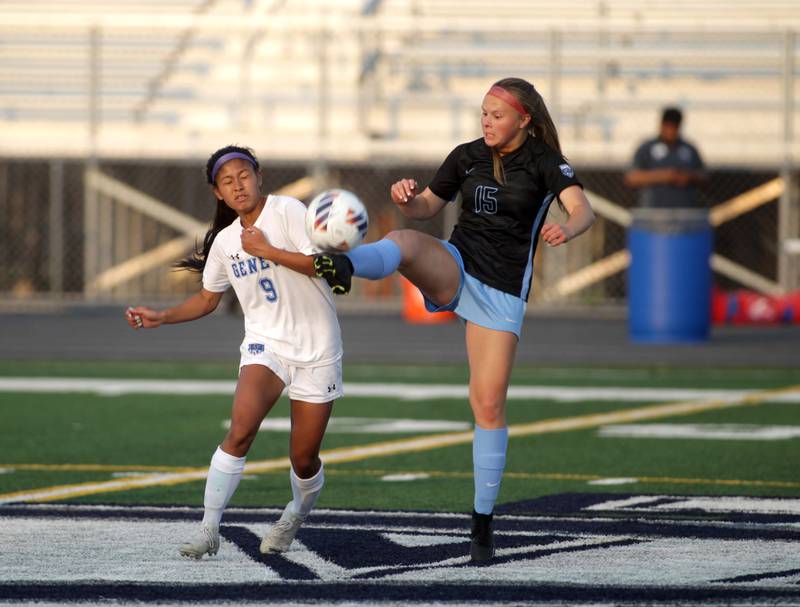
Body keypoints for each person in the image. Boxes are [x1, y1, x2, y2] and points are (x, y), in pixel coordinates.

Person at [313, 77, 595, 562]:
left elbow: (582, 209)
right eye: (483, 112)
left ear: (524, 120)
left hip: (502, 291)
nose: (486, 121)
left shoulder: (547, 163)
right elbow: (425, 207)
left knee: (486, 404)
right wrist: (407, 199)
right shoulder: (466, 155)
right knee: (403, 241)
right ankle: (342, 265)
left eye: (497, 114)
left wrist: (566, 229)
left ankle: (482, 522)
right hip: (457, 266)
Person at [124, 145, 343, 559]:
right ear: (218, 193)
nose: (238, 185)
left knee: (304, 457)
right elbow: (208, 299)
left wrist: (268, 251)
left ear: (259, 177)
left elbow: (320, 266)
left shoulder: (288, 212)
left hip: (318, 348)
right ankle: (209, 529)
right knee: (240, 430)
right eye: (227, 181)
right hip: (266, 344)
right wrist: (162, 317)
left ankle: (295, 513)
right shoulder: (226, 242)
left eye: (244, 175)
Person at [624, 106, 707, 208]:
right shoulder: (647, 148)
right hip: (653, 214)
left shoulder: (689, 149)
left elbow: (704, 177)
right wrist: (664, 176)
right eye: (668, 126)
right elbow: (632, 178)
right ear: (661, 125)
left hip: (684, 213)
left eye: (674, 127)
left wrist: (688, 178)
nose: (670, 132)